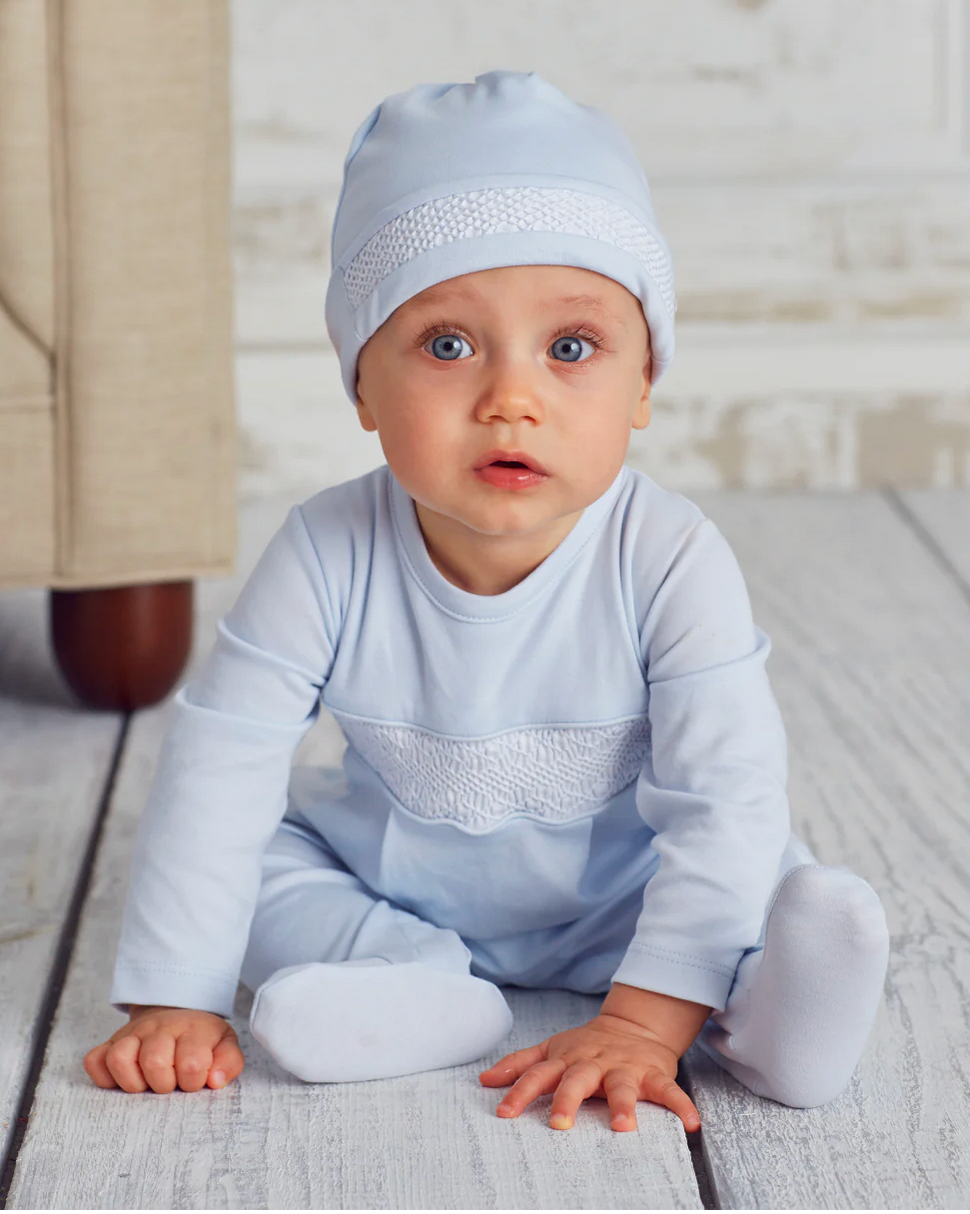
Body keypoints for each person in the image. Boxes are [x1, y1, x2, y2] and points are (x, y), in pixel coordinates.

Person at [83, 70, 890, 1134]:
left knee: (752, 861)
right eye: (448, 344)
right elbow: (222, 763)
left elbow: (720, 797)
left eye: (570, 349)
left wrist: (643, 1024)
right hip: (399, 897)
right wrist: (175, 995)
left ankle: (780, 1019)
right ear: (362, 383)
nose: (511, 396)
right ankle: (422, 991)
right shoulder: (325, 549)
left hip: (627, 902)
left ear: (644, 380)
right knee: (258, 855)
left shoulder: (671, 555)